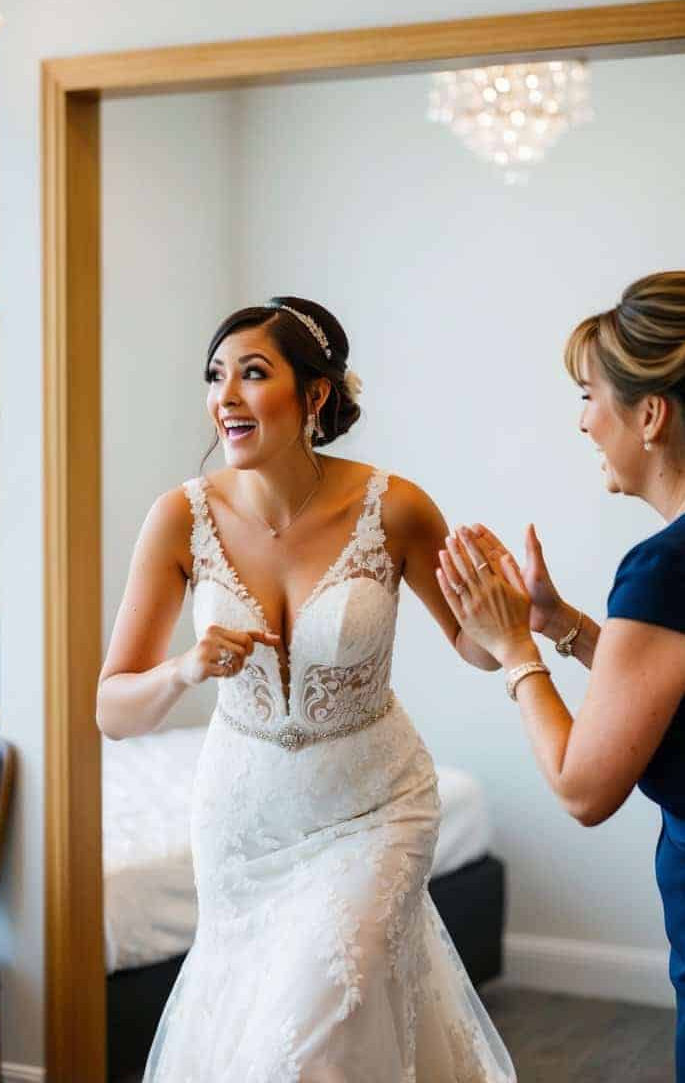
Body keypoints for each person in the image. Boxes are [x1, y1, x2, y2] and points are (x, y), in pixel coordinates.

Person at [97, 296, 515, 1082]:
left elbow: (474, 647)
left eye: (253, 374)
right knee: (257, 1036)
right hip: (243, 822)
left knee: (310, 1039)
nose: (225, 396)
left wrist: (502, 622)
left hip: (374, 806)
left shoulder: (393, 507)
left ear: (313, 395)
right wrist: (184, 668)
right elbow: (111, 709)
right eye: (215, 376)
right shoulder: (179, 518)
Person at [436, 271, 685, 1083]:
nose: (583, 421)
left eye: (589, 395)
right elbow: (681, 692)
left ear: (650, 414)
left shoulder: (669, 566)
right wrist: (564, 627)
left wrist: (512, 646)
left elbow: (581, 788)